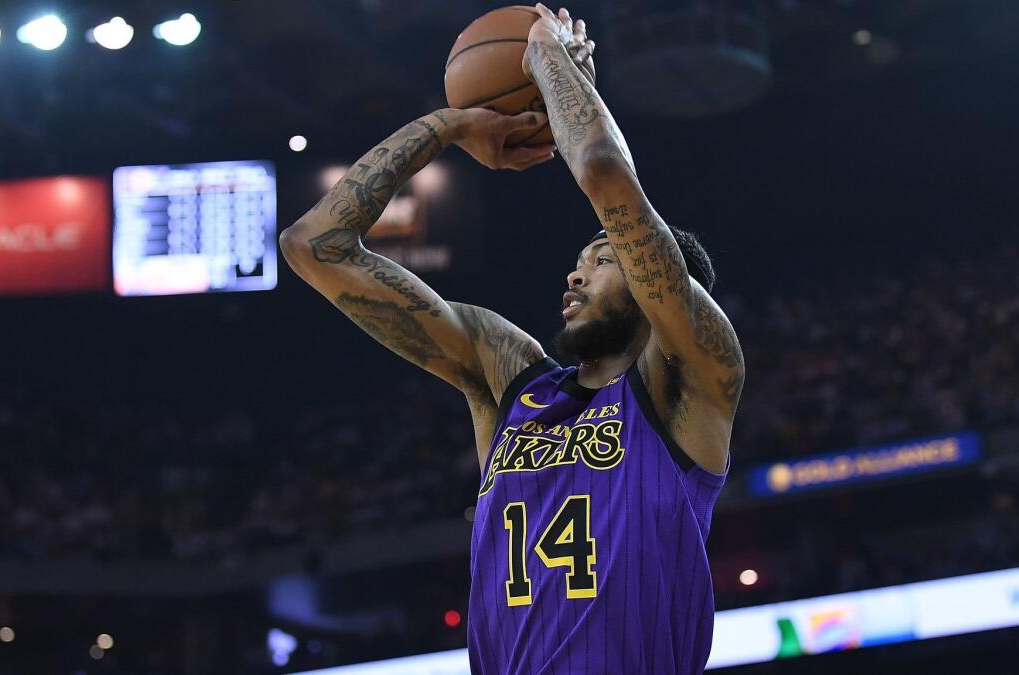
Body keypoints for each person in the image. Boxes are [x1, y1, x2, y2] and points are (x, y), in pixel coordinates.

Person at [279, 5, 743, 672]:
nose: (577, 269)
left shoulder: (690, 380)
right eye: (583, 258)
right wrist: (453, 123)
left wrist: (545, 57)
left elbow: (607, 174)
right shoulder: (511, 379)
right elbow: (313, 246)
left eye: (605, 257)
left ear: (661, 289)